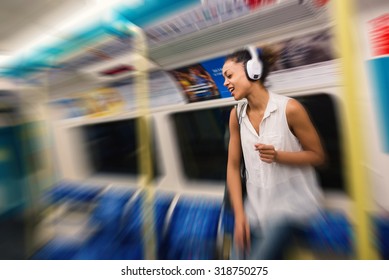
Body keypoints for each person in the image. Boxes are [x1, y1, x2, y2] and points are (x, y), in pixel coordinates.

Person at [223, 46, 326, 259]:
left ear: (252, 71)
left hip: (290, 208)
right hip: (255, 209)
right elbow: (233, 167)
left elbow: (317, 155)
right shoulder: (236, 116)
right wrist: (240, 215)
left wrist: (279, 156)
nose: (225, 82)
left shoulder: (289, 109)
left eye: (229, 75)